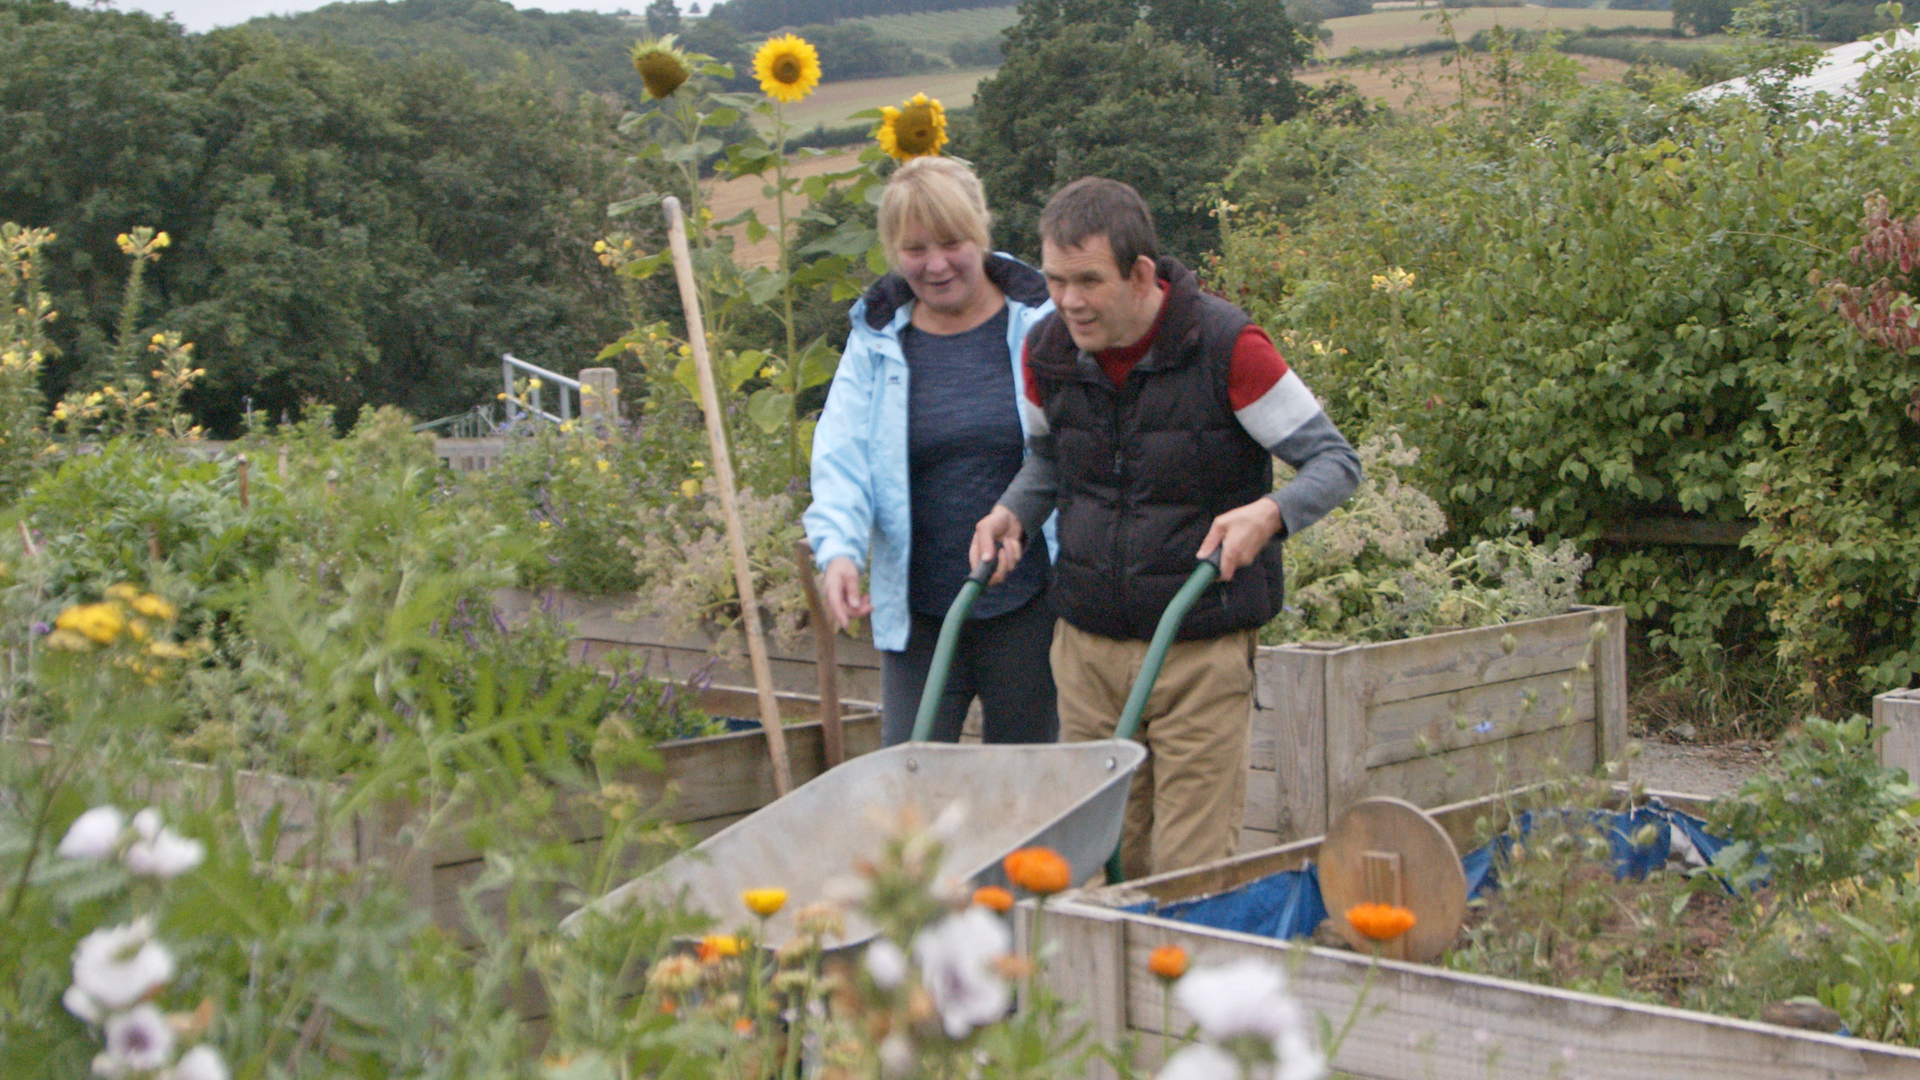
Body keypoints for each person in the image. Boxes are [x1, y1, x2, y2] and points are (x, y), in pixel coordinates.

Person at [971, 177, 1361, 879]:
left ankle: (1186, 984)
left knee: (1187, 868)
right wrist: (1011, 513)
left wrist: (1268, 514)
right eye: (1056, 280)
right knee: (1089, 860)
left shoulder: (1225, 345)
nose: (1068, 301)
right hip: (1087, 648)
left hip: (1198, 646)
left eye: (1088, 280)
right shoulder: (1045, 352)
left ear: (1141, 273)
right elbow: (1048, 462)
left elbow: (1334, 461)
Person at [804, 156, 1059, 747]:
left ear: (981, 234)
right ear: (894, 251)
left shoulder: (1042, 326)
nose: (936, 264)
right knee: (910, 794)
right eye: (915, 249)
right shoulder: (877, 340)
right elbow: (841, 458)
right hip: (920, 613)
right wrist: (839, 553)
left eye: (952, 242)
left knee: (1024, 798)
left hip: (1029, 608)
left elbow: (1075, 448)